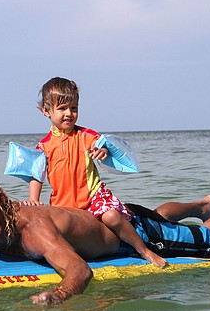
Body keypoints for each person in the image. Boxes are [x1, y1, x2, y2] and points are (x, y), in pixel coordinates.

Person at [0, 176, 210, 306]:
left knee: (206, 239)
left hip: (132, 234)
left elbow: (81, 272)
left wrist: (59, 295)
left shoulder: (34, 229)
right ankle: (200, 205)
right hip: (123, 219)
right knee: (158, 216)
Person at [28, 77, 169, 268]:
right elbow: (37, 175)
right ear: (46, 111)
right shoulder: (43, 146)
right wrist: (34, 199)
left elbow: (102, 146)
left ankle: (144, 250)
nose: (69, 113)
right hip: (63, 204)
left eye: (74, 108)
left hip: (93, 197)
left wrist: (102, 151)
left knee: (111, 217)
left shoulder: (85, 136)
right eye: (62, 109)